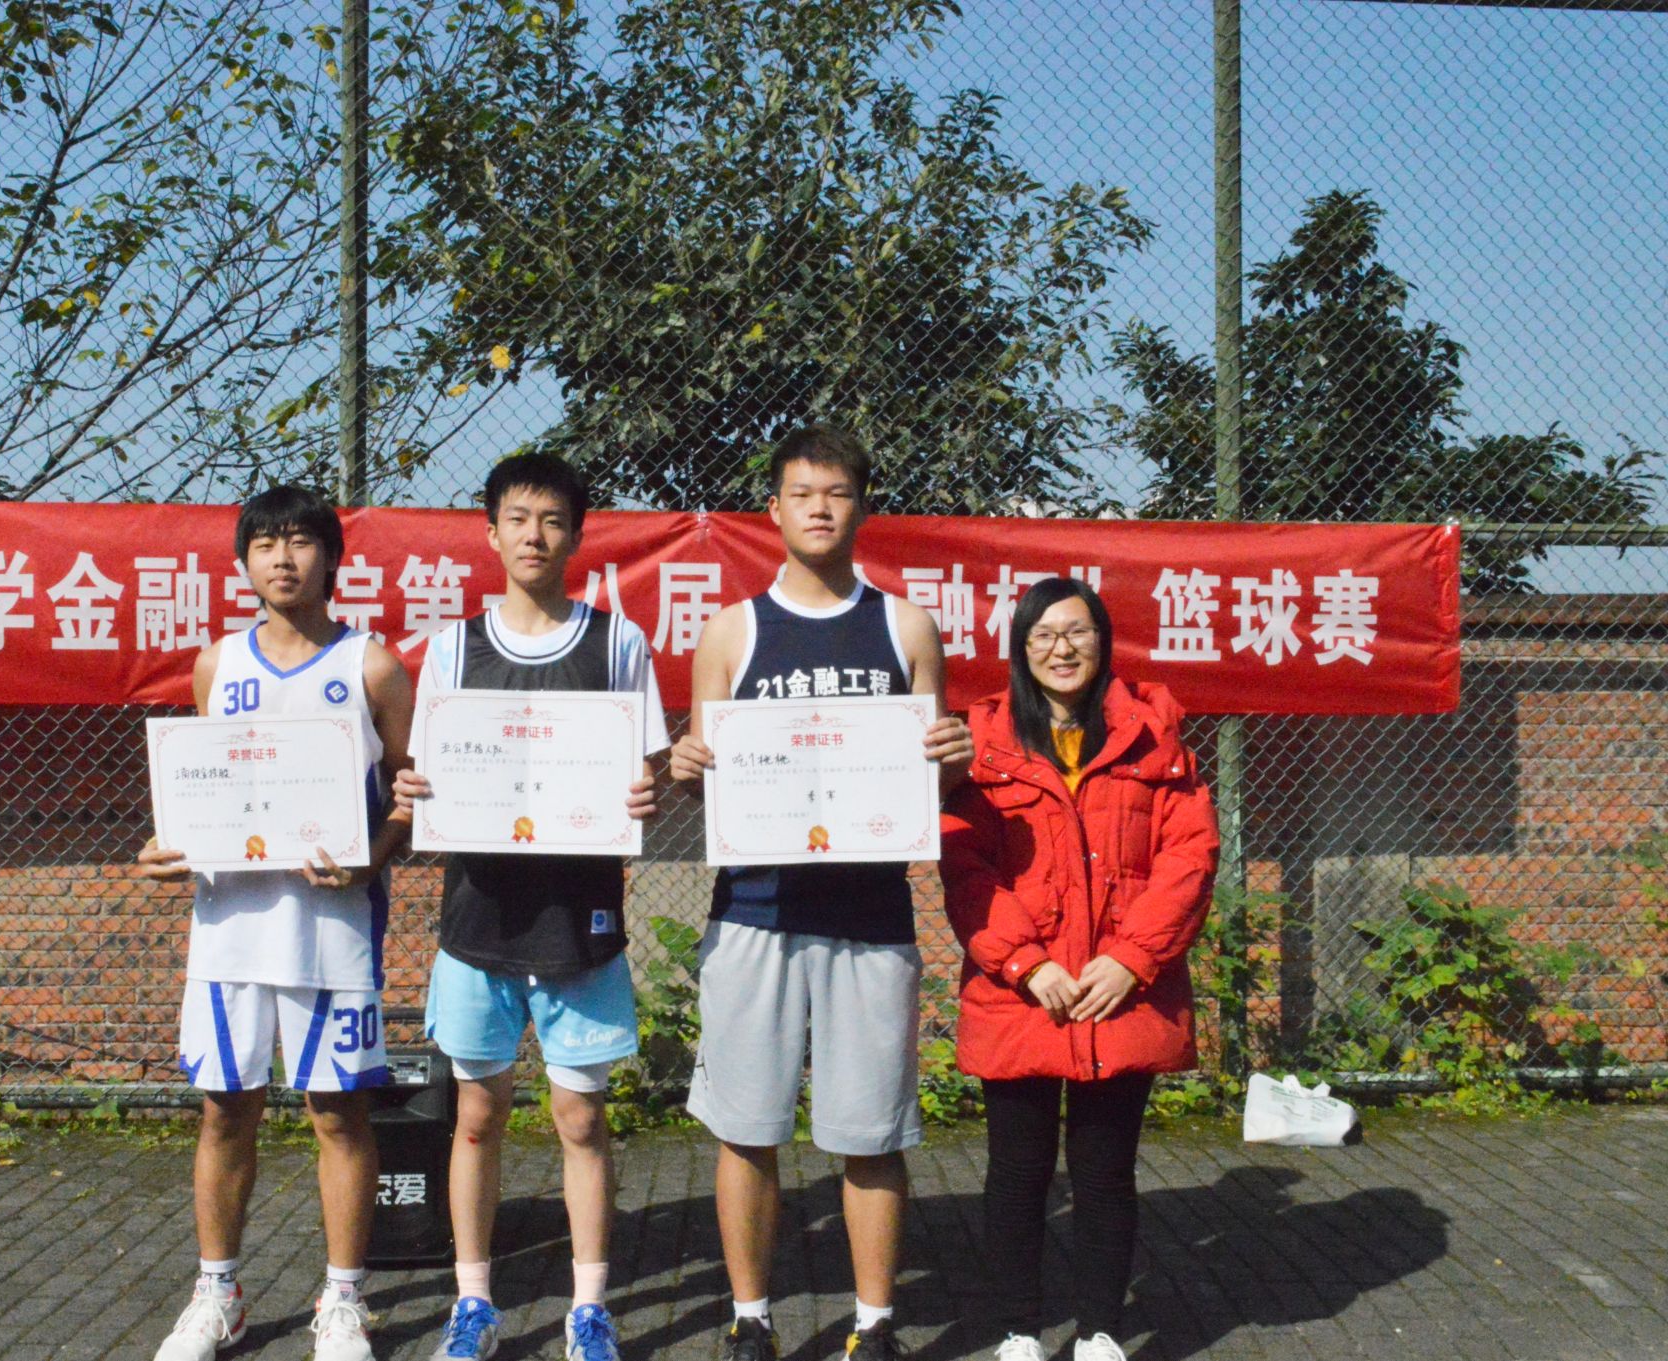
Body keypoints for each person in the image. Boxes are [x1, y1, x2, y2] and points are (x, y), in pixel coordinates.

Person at [667, 426, 974, 1361]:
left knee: (870, 1132)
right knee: (746, 1129)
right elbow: (707, 782)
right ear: (774, 508)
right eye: (802, 493)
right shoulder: (732, 630)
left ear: (862, 507)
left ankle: (874, 1324)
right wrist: (687, 768)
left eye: (837, 492)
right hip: (753, 912)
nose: (819, 508)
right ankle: (750, 1316)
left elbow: (932, 782)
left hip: (870, 917)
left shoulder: (905, 626)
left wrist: (954, 761)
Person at [394, 453, 668, 1361]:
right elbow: (429, 768)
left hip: (577, 919)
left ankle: (589, 1307)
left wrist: (643, 791)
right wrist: (418, 788)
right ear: (491, 532)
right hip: (480, 918)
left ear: (578, 535)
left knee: (580, 1118)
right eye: (518, 517)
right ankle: (473, 1300)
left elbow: (645, 767)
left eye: (552, 519)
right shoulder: (452, 647)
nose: (534, 534)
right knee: (476, 1114)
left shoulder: (617, 642)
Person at [136, 485, 415, 1361]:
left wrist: (371, 858)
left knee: (338, 1113)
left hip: (332, 931)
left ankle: (344, 1301)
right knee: (225, 1110)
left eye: (300, 542)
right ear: (244, 561)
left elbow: (411, 798)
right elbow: (207, 788)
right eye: (265, 544)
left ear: (332, 558)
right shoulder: (218, 664)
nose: (283, 558)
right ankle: (218, 1294)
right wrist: (169, 844)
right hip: (230, 931)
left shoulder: (372, 666)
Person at [938, 577, 1218, 1361]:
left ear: (1103, 641)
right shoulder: (982, 742)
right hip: (1023, 995)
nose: (1062, 649)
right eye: (1043, 635)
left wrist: (1133, 959)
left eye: (1077, 632)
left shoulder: (1153, 736)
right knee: (1017, 1173)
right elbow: (965, 864)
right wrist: (1024, 963)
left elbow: (1190, 856)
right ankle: (1018, 1331)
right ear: (1020, 649)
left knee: (1105, 1175)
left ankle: (1098, 1331)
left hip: (1117, 993)